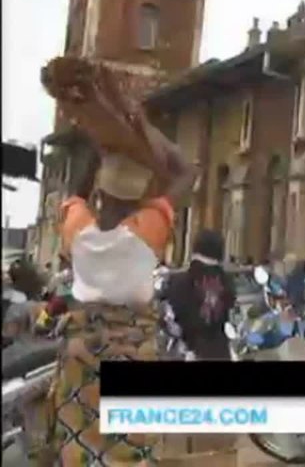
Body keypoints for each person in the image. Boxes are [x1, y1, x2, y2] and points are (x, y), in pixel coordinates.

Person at [42, 74, 196, 462]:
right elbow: (186, 173)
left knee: (77, 449)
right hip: (133, 359)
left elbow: (76, 194)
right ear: (140, 200)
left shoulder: (79, 234)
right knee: (131, 454)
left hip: (82, 365)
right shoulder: (145, 234)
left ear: (100, 195)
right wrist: (139, 128)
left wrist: (102, 138)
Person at [166, 230, 236, 360]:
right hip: (220, 351)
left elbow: (174, 316)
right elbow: (229, 313)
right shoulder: (227, 281)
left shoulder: (180, 280)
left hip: (189, 351)